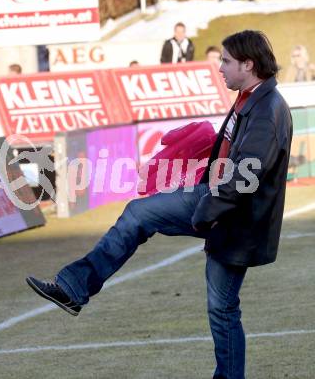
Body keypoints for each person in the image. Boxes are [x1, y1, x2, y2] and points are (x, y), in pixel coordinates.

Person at [27, 30, 293, 378]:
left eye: (226, 61)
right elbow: (233, 160)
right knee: (139, 214)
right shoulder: (250, 97)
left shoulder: (268, 109)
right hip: (219, 205)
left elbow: (245, 178)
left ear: (248, 63)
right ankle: (74, 288)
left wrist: (204, 213)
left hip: (233, 218)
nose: (220, 68)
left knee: (222, 308)